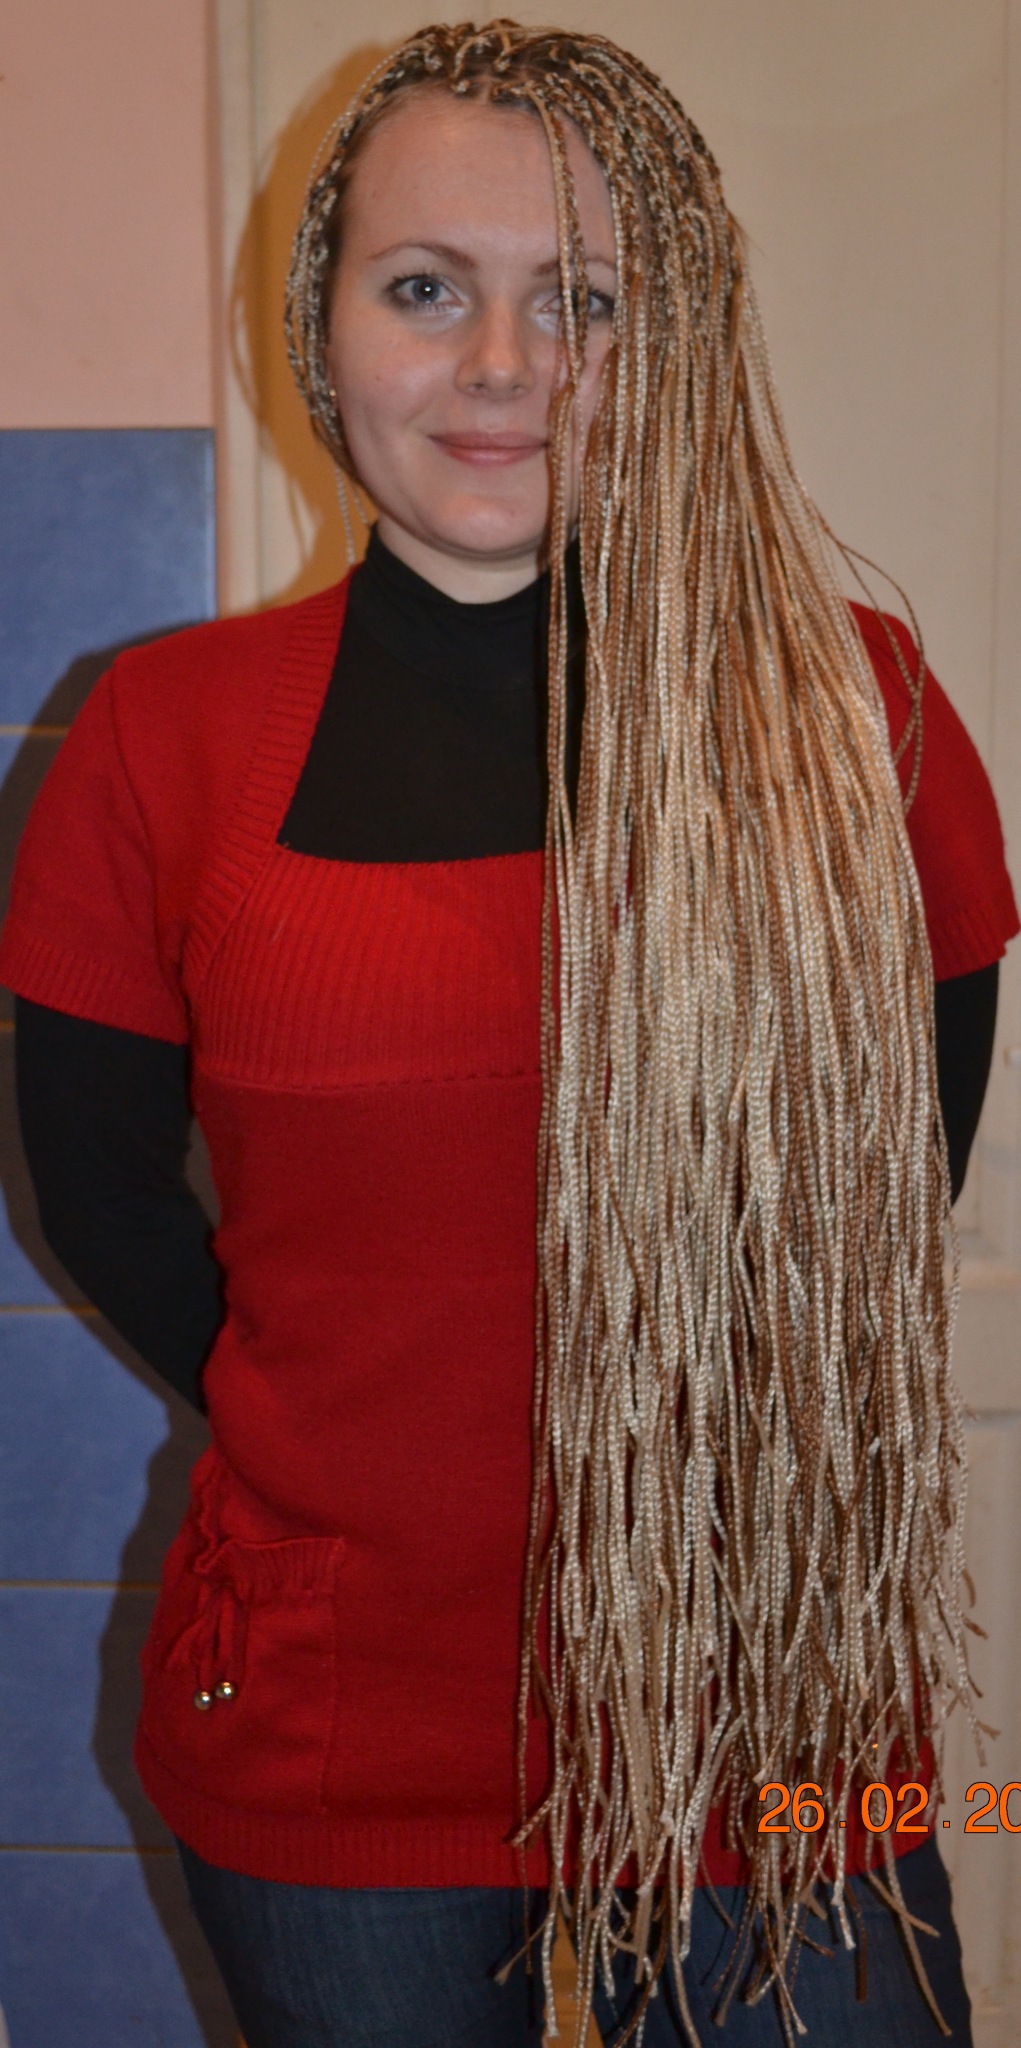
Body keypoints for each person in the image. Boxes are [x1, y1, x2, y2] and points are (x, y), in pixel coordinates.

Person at [2, 18, 1017, 2048]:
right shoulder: (158, 734)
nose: (501, 365)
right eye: (424, 288)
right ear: (324, 323)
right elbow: (98, 1190)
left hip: (781, 1729)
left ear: (682, 339)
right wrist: (335, 1437)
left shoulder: (855, 709)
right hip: (328, 1735)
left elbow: (906, 1153)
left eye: (584, 301)